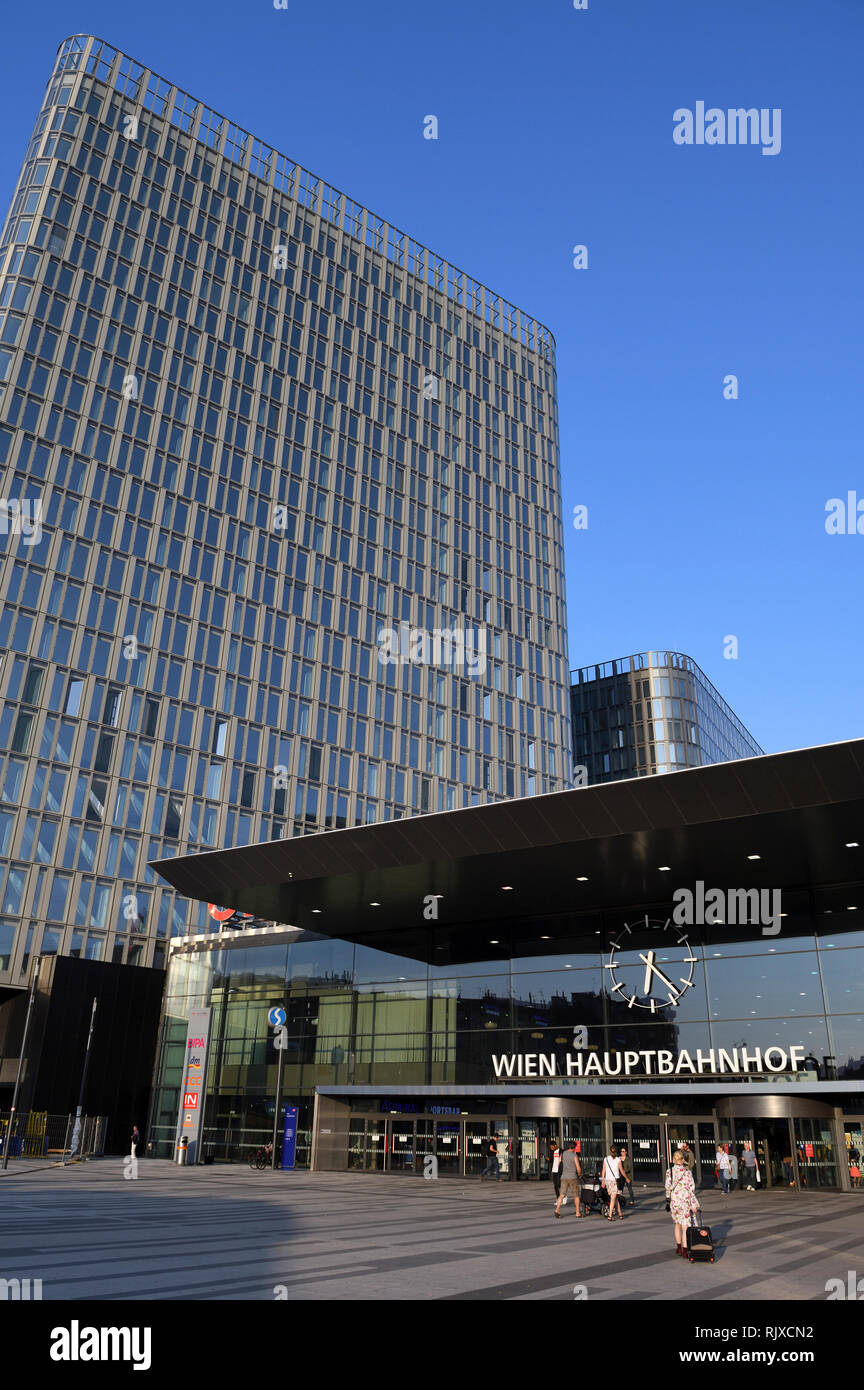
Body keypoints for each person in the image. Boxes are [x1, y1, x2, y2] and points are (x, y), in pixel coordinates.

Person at [665, 1149, 700, 1257]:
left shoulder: (669, 1171)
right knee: (685, 1226)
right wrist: (693, 1203)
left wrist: (668, 1199)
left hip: (675, 1202)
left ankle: (679, 1248)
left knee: (677, 1224)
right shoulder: (687, 1172)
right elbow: (691, 1189)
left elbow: (667, 1187)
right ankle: (685, 1250)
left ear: (674, 1160)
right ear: (682, 1159)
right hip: (685, 1201)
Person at [554, 1141, 583, 1218]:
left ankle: (557, 1210)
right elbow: (578, 1167)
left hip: (564, 1177)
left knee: (562, 1195)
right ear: (574, 1147)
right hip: (572, 1177)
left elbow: (559, 1164)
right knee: (576, 1195)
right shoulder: (574, 1155)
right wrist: (580, 1174)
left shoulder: (563, 1154)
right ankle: (577, 1213)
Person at [601, 1144, 623, 1221]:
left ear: (610, 1151)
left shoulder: (606, 1159)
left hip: (608, 1181)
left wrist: (603, 1180)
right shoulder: (618, 1160)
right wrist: (626, 1178)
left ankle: (620, 1213)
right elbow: (621, 1170)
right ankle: (610, 1216)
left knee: (615, 1197)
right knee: (613, 1198)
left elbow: (603, 1170)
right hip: (614, 1181)